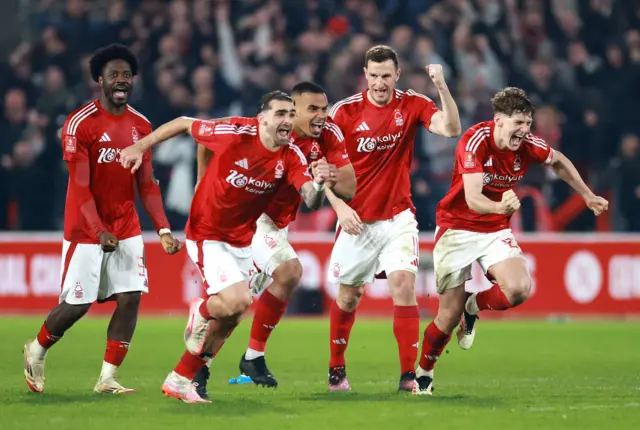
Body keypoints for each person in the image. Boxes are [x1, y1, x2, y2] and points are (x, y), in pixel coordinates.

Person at [119, 91, 337, 403]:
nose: (288, 120)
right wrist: (140, 147)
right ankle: (201, 309)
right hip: (207, 232)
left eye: (291, 114)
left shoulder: (291, 156)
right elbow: (184, 124)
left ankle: (180, 379)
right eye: (280, 114)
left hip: (242, 239)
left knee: (232, 316)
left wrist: (319, 182)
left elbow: (311, 200)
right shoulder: (235, 132)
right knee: (237, 301)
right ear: (261, 119)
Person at [412, 87, 609, 395]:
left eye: (528, 123)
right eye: (518, 122)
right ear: (499, 120)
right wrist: (499, 207)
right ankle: (424, 370)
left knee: (518, 289)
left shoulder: (527, 145)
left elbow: (557, 161)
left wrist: (587, 195)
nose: (525, 130)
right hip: (456, 228)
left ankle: (473, 306)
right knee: (446, 317)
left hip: (494, 229)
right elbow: (473, 197)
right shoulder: (474, 140)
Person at [22, 44, 181, 395]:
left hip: (126, 226)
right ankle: (37, 347)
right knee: (77, 305)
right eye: (114, 75)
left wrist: (164, 229)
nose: (121, 80)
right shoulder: (80, 123)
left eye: (126, 74)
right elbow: (79, 187)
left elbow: (147, 183)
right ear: (100, 80)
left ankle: (107, 379)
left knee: (131, 297)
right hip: (85, 228)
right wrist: (98, 230)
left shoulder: (141, 125)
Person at [191, 82, 356, 396]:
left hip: (277, 225)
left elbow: (349, 186)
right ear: (291, 113)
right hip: (251, 222)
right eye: (313, 110)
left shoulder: (329, 134)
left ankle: (215, 365)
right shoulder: (265, 131)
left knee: (236, 309)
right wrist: (201, 184)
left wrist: (327, 175)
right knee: (289, 271)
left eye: (324, 108)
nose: (322, 116)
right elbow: (205, 138)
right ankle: (226, 354)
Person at [325, 45, 462, 391]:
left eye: (386, 76)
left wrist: (442, 87)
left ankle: (407, 378)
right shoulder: (344, 113)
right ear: (365, 74)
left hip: (398, 217)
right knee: (349, 297)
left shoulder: (412, 104)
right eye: (373, 76)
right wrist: (340, 208)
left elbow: (450, 129)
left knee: (403, 284)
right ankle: (336, 368)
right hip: (356, 219)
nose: (380, 83)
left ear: (397, 75)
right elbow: (320, 168)